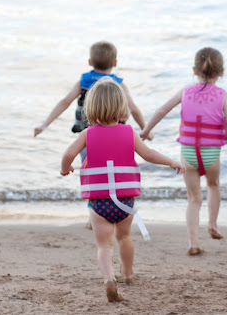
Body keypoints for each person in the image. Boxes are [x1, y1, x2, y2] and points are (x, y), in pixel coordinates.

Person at [60, 78, 184, 302]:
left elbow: (68, 154)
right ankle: (128, 274)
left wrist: (65, 168)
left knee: (104, 245)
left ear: (91, 108)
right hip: (125, 202)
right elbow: (149, 154)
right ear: (122, 107)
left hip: (99, 203)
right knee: (124, 237)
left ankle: (109, 279)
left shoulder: (87, 134)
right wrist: (171, 161)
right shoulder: (129, 132)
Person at [140, 47, 227, 255]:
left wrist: (146, 131)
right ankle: (213, 224)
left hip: (188, 153)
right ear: (222, 72)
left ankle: (193, 242)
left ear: (194, 70)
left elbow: (162, 110)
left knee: (194, 199)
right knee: (213, 185)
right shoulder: (223, 95)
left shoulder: (185, 91)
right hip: (211, 154)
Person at [34, 41, 148, 143]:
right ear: (115, 63)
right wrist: (146, 130)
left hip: (88, 136)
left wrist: (45, 125)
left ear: (90, 62)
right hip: (115, 134)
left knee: (88, 159)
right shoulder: (118, 84)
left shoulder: (83, 82)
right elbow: (133, 109)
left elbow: (65, 102)